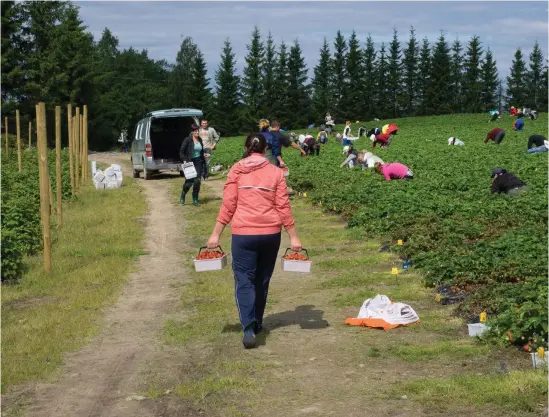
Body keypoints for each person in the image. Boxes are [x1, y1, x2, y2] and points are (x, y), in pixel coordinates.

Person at [206, 133, 302, 349]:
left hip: (243, 234)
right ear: (266, 148)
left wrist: (216, 233)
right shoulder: (276, 173)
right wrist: (293, 236)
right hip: (270, 234)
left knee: (244, 279)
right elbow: (283, 207)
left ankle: (248, 327)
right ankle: (258, 322)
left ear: (246, 147)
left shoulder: (237, 170)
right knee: (262, 279)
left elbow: (229, 204)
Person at [179, 123, 206, 206]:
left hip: (198, 161)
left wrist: (204, 155)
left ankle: (195, 199)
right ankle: (183, 194)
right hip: (189, 162)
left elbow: (201, 151)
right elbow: (181, 152)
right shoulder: (187, 140)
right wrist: (184, 160)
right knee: (189, 182)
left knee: (197, 181)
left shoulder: (200, 140)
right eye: (195, 131)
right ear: (192, 132)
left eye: (198, 131)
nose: (197, 132)